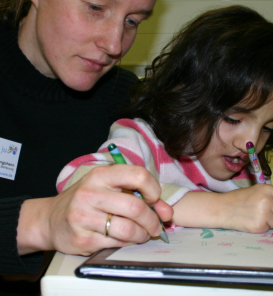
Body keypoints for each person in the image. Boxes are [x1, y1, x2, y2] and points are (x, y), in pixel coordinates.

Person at [57, 6, 273, 234]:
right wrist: (218, 209)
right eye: (233, 119)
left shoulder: (248, 174)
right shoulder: (143, 142)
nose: (251, 142)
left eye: (268, 128)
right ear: (189, 96)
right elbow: (75, 180)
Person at [0, 0, 173, 295]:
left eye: (132, 21)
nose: (114, 44)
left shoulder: (125, 102)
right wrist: (44, 222)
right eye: (95, 7)